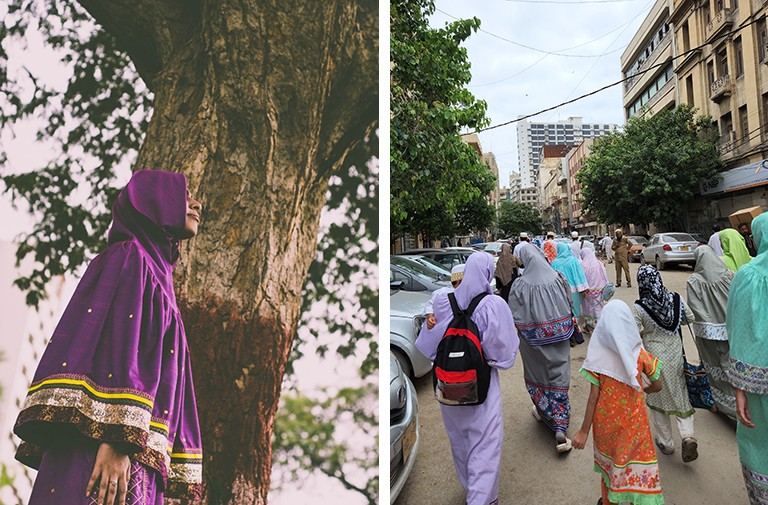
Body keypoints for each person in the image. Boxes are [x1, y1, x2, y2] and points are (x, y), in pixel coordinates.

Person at [13, 170, 204, 505]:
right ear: (152, 200)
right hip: (102, 451)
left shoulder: (164, 286)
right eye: (184, 195)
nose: (197, 204)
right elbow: (118, 347)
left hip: (139, 458)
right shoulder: (129, 256)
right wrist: (116, 441)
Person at [416, 253, 519, 505]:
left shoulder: (442, 301)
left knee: (459, 441)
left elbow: (428, 347)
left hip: (448, 388)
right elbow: (503, 357)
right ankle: (481, 498)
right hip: (481, 390)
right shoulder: (493, 305)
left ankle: (469, 485)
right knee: (485, 446)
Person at [572, 300, 664, 505]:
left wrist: (583, 432)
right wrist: (642, 390)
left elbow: (592, 399)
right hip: (635, 427)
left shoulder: (597, 357)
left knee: (610, 468)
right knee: (633, 467)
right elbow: (657, 385)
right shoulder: (639, 354)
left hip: (606, 429)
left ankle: (609, 501)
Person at [508, 243, 577, 452]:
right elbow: (570, 303)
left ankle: (543, 411)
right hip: (560, 338)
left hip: (532, 342)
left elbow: (513, 315)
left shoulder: (520, 285)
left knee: (537, 373)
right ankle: (560, 427)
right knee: (559, 373)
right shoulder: (557, 277)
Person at [633, 265, 698, 463]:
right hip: (676, 355)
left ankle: (667, 443)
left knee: (658, 400)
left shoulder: (639, 307)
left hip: (654, 361)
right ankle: (687, 436)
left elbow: (633, 333)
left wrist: (647, 332)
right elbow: (690, 317)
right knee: (680, 396)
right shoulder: (675, 298)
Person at [726, 212, 768, 504]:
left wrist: (740, 387)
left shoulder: (749, 275)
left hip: (759, 385)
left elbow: (739, 328)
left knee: (759, 444)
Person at [686, 245, 736, 419]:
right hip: (732, 331)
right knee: (731, 367)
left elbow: (695, 309)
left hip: (707, 335)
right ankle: (743, 404)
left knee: (714, 368)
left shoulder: (693, 281)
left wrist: (709, 325)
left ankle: (724, 405)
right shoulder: (730, 276)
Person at [551, 243, 588, 323]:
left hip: (560, 290)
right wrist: (583, 289)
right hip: (573, 289)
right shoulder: (573, 261)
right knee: (575, 307)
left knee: (563, 308)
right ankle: (576, 323)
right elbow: (579, 275)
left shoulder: (554, 263)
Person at [425, 264, 464, 330]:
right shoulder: (442, 292)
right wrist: (430, 317)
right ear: (459, 281)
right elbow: (429, 305)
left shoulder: (467, 294)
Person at [580, 248, 609, 334]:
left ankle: (591, 327)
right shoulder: (599, 263)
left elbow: (582, 279)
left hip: (588, 291)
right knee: (599, 308)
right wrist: (605, 285)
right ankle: (601, 327)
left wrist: (583, 290)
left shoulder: (582, 265)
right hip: (599, 290)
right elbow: (604, 275)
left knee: (589, 309)